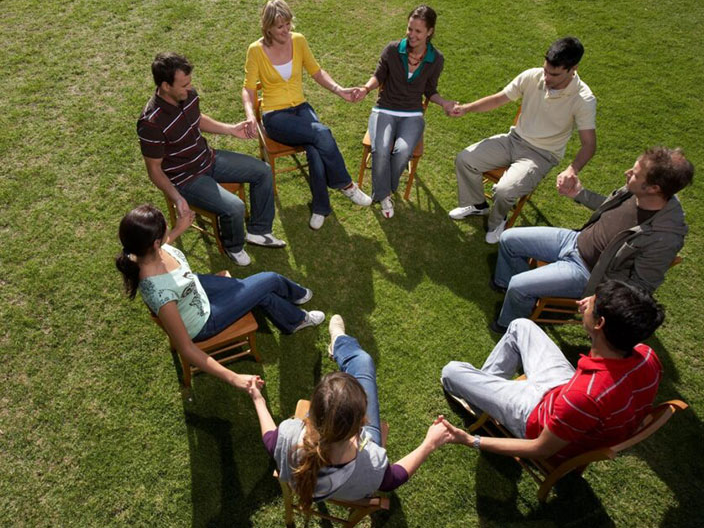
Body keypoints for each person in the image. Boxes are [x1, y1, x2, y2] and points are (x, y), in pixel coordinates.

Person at [441, 280, 665, 463]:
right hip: (563, 390)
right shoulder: (646, 355)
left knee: (451, 372)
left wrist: (472, 440)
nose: (584, 302)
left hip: (535, 419)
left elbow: (540, 449)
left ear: (600, 324)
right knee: (521, 325)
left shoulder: (585, 396)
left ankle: (486, 402)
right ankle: (487, 401)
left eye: (591, 304)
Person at [115, 204, 324, 391]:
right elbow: (186, 347)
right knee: (269, 280)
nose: (168, 226)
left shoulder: (142, 252)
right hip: (205, 320)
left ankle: (294, 320)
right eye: (165, 226)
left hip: (194, 287)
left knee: (261, 293)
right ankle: (297, 296)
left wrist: (181, 227)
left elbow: (165, 243)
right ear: (155, 243)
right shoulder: (160, 292)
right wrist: (234, 378)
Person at [247, 315, 450, 506]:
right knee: (363, 363)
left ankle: (339, 343)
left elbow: (269, 439)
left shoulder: (287, 435)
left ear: (313, 411)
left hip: (313, 480)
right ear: (363, 422)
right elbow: (392, 480)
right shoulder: (372, 463)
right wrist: (429, 444)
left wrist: (258, 399)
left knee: (362, 363)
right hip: (353, 482)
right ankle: (339, 343)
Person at [490, 146, 693, 331]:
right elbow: (609, 205)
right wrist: (579, 193)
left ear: (654, 188)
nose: (627, 173)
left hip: (587, 272)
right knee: (509, 239)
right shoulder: (638, 192)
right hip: (574, 240)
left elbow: (642, 286)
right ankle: (504, 284)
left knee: (520, 285)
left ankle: (510, 325)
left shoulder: (664, 236)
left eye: (635, 174)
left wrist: (599, 298)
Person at [138, 52, 285, 267]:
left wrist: (230, 130)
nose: (190, 88)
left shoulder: (187, 95)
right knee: (235, 207)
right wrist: (177, 198)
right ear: (165, 86)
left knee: (262, 171)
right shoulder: (151, 123)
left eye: (189, 82)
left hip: (208, 158)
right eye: (184, 84)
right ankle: (233, 247)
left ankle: (259, 231)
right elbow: (154, 169)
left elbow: (195, 119)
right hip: (186, 179)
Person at [448, 37, 597, 243]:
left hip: (541, 155)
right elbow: (500, 98)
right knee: (465, 159)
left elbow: (589, 145)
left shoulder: (583, 99)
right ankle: (477, 205)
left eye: (554, 74)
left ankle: (497, 221)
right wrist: (466, 108)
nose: (546, 77)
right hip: (513, 139)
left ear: (573, 69)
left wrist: (572, 170)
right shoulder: (532, 76)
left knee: (504, 190)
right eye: (545, 70)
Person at [241, 0, 371, 231]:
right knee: (322, 133)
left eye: (288, 24)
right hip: (275, 117)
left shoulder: (298, 41)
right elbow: (248, 87)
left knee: (315, 147)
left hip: (301, 108)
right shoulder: (256, 50)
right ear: (267, 26)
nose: (286, 30)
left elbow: (316, 71)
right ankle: (346, 185)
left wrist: (340, 90)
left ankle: (321, 207)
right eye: (280, 26)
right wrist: (251, 115)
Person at [352, 5, 457, 218]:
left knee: (402, 152)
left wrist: (443, 102)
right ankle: (384, 196)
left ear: (429, 32)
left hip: (412, 114)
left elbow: (429, 90)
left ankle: (384, 190)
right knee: (380, 149)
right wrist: (365, 88)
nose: (412, 35)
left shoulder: (436, 59)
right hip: (384, 109)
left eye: (418, 31)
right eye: (410, 29)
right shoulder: (392, 49)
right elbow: (379, 76)